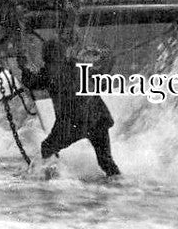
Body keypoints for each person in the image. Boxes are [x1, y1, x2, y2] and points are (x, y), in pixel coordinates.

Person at [21, 38, 120, 177]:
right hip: (97, 119)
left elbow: (32, 82)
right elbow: (101, 82)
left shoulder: (50, 72)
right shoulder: (79, 66)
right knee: (106, 161)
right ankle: (119, 183)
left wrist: (23, 67)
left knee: (47, 148)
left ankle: (54, 179)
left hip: (72, 122)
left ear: (47, 58)